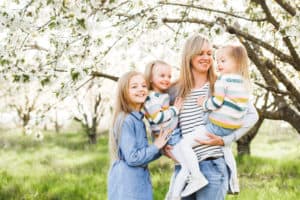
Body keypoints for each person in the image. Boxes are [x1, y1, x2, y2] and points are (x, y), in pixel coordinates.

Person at [165, 34, 259, 200]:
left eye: (209, 53)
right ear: (189, 55)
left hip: (213, 165)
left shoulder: (222, 83)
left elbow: (252, 116)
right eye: (200, 53)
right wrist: (169, 150)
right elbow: (161, 127)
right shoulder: (174, 90)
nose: (206, 58)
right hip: (185, 168)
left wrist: (226, 139)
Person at [143, 61, 208, 200]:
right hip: (169, 138)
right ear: (150, 78)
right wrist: (175, 110)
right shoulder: (151, 98)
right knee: (186, 165)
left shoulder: (161, 95)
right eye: (162, 76)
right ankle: (176, 195)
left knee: (182, 165)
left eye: (169, 76)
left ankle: (171, 195)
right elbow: (157, 118)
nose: (166, 79)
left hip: (172, 135)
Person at [107, 71, 171, 200]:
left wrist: (160, 149)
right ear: (124, 92)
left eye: (143, 86)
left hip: (137, 181)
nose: (141, 89)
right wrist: (156, 146)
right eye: (134, 86)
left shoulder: (138, 118)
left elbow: (142, 154)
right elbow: (133, 157)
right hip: (128, 183)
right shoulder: (126, 119)